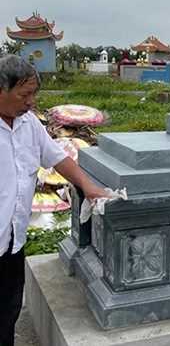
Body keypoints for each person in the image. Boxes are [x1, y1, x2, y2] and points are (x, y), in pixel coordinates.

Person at [0, 55, 107, 346]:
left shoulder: (29, 124)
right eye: (24, 95)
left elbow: (57, 157)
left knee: (7, 314)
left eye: (34, 94)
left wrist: (88, 185)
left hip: (13, 243)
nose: (31, 102)